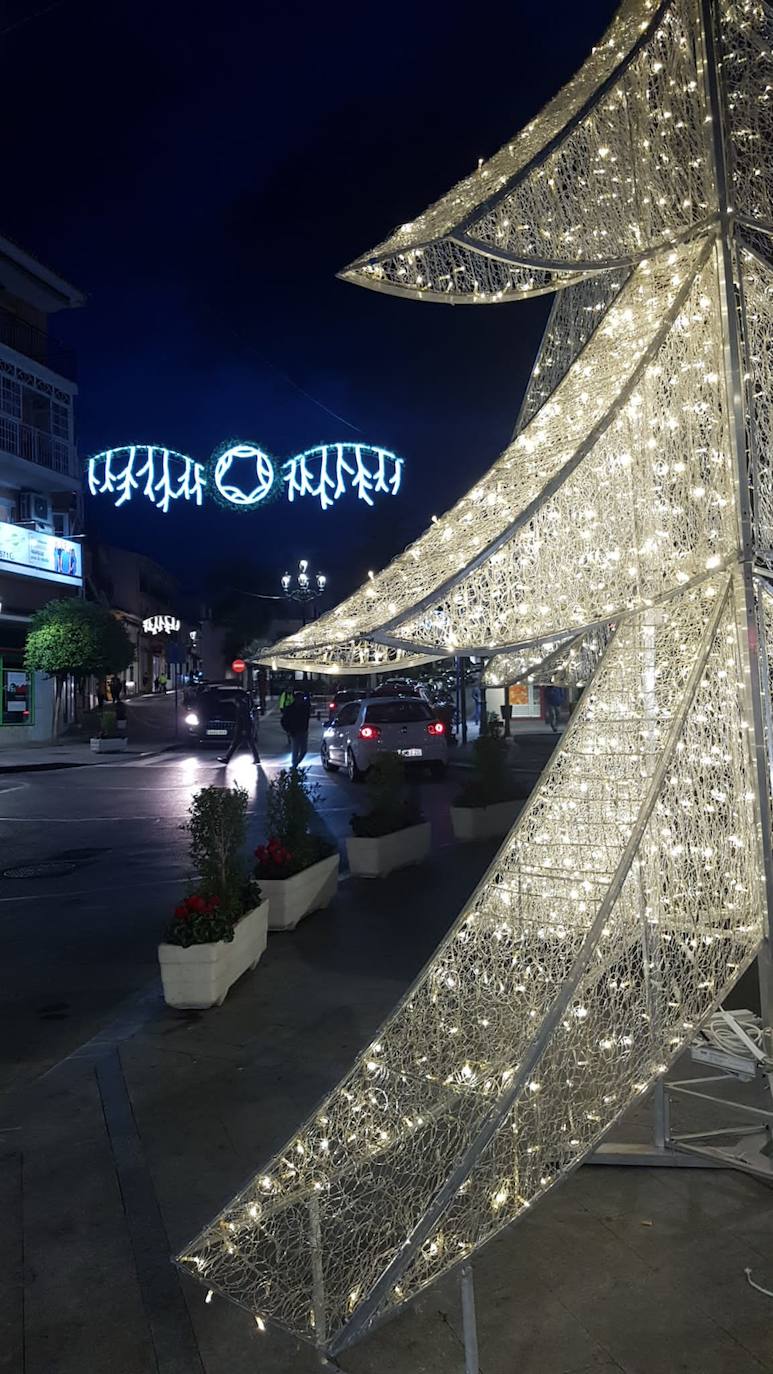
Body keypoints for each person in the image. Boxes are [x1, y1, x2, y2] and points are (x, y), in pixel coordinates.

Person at [219, 692, 260, 765]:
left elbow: (245, 719)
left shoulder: (242, 707)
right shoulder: (242, 706)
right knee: (242, 744)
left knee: (243, 744)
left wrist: (244, 729)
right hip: (243, 729)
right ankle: (227, 759)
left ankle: (227, 759)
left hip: (242, 729)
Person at [281, 689, 311, 768]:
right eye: (300, 698)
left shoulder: (305, 708)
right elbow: (284, 721)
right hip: (294, 732)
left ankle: (295, 764)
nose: (301, 700)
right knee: (295, 749)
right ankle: (294, 765)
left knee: (304, 750)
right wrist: (289, 730)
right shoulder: (290, 709)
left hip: (303, 731)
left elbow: (307, 717)